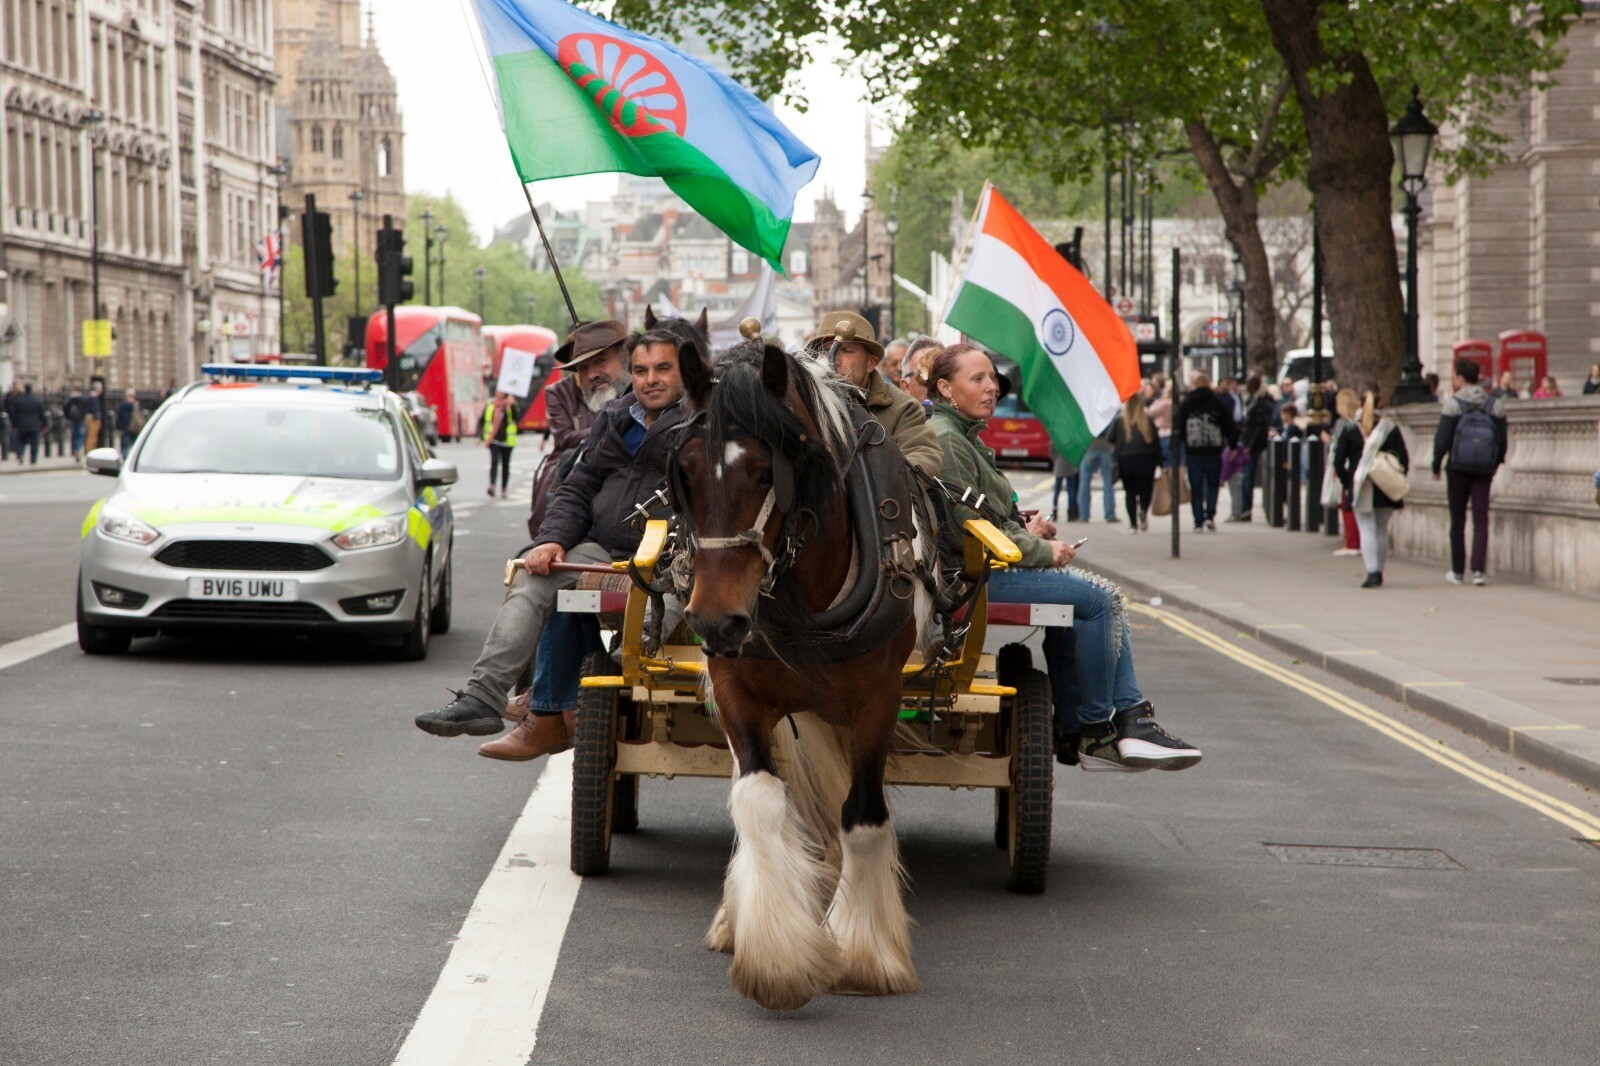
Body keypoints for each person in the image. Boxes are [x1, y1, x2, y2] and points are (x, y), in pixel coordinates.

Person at [926, 343, 1200, 770]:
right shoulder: (947, 439)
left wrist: (1029, 533)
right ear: (945, 388)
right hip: (973, 580)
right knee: (1100, 599)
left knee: (1097, 595)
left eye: (992, 380)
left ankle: (1102, 725)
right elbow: (968, 529)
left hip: (987, 569)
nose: (991, 388)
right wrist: (1040, 549)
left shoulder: (960, 436)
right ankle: (1097, 730)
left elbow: (989, 516)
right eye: (977, 379)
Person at [417, 330, 688, 755]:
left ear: (684, 371)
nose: (650, 379)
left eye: (663, 369)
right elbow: (579, 486)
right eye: (640, 370)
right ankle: (482, 697)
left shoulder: (703, 421)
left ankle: (622, 663)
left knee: (672, 591)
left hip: (672, 556)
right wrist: (552, 540)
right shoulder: (617, 416)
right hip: (602, 549)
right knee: (532, 573)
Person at [527, 320, 631, 540]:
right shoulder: (558, 392)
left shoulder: (646, 404)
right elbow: (564, 438)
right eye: (583, 367)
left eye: (601, 362)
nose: (592, 374)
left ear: (625, 359)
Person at [807, 310, 942, 478]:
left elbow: (924, 455)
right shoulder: (804, 403)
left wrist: (875, 481)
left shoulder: (902, 408)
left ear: (870, 362)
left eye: (847, 350)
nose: (833, 359)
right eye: (825, 351)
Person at [1432, 358, 1508, 586]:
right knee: (1481, 519)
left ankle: (1457, 570)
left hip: (1457, 468)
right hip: (1484, 469)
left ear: (1460, 379)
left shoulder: (1454, 404)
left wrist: (1436, 464)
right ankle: (1478, 571)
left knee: (1457, 519)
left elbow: (1442, 439)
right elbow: (1501, 440)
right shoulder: (1494, 404)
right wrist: (1496, 462)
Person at [1348, 394, 1409, 588]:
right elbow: (1404, 459)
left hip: (1363, 485)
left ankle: (1372, 571)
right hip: (1384, 486)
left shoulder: (1353, 430)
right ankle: (1379, 571)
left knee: (1367, 527)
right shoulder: (1390, 430)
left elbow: (1339, 459)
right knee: (1381, 528)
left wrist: (1348, 480)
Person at [1175, 371, 1238, 531]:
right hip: (1213, 450)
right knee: (1212, 484)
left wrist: (1178, 445)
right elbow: (1229, 425)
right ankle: (1209, 515)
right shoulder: (1217, 402)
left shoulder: (1187, 403)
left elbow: (1179, 427)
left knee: (1196, 487)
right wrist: (1232, 445)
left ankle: (1197, 521)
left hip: (1193, 451)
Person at [1110, 391, 1161, 532]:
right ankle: (1143, 509)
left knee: (1130, 493)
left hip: (1126, 460)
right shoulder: (1147, 420)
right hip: (1146, 460)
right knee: (1146, 490)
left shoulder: (1120, 420)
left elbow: (1110, 438)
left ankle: (1133, 524)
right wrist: (1161, 462)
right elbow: (1156, 443)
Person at [1328, 388, 1364, 558]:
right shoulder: (1357, 422)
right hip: (1356, 467)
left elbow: (1337, 449)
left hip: (1347, 467)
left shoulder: (1343, 424)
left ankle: (1352, 542)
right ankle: (1354, 541)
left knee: (1347, 504)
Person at [1235, 374, 1274, 523]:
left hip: (1253, 446)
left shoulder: (1260, 403)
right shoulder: (1254, 401)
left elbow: (1258, 427)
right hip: (1249, 443)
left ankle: (1245, 509)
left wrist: (1249, 446)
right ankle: (1244, 508)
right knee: (1246, 477)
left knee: (1248, 478)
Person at [1076, 422, 1117, 523]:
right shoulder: (1107, 406)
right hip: (1106, 444)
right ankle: (1110, 514)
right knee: (1108, 479)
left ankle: (1083, 515)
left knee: (1085, 479)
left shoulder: (1088, 407)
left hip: (1090, 444)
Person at [481, 390, 517, 497]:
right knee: (494, 462)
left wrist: (511, 406)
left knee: (506, 465)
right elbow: (483, 420)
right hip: (494, 439)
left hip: (507, 441)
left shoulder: (511, 405)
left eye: (500, 391)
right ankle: (492, 485)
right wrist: (480, 436)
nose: (498, 393)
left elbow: (517, 419)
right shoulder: (491, 404)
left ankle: (504, 488)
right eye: (497, 391)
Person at [10, 383, 46, 465]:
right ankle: (33, 458)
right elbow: (42, 413)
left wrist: (14, 425)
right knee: (34, 443)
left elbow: (14, 414)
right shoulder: (37, 400)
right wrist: (44, 424)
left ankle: (21, 454)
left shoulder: (19, 400)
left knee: (21, 442)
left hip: (22, 425)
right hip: (34, 425)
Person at [1146, 374, 1173, 466]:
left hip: (1165, 434)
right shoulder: (1173, 403)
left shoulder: (1165, 404)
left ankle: (1167, 479)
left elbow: (1151, 411)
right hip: (1171, 434)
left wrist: (1159, 400)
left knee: (1166, 462)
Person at [1050, 446, 1080, 523]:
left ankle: (1055, 511)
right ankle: (1071, 514)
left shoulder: (1056, 438)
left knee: (1056, 491)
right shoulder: (1073, 439)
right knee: (1071, 492)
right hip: (1070, 466)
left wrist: (1056, 460)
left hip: (1059, 466)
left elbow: (1052, 452)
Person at [114, 388, 143, 456]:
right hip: (135, 429)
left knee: (124, 448)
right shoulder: (136, 405)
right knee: (135, 447)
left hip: (125, 429)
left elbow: (119, 418)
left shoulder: (122, 406)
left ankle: (126, 461)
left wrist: (119, 429)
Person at [83, 382, 104, 453]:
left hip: (89, 419)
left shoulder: (89, 397)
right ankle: (89, 451)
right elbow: (94, 410)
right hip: (93, 420)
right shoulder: (94, 398)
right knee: (92, 437)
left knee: (91, 436)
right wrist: (97, 417)